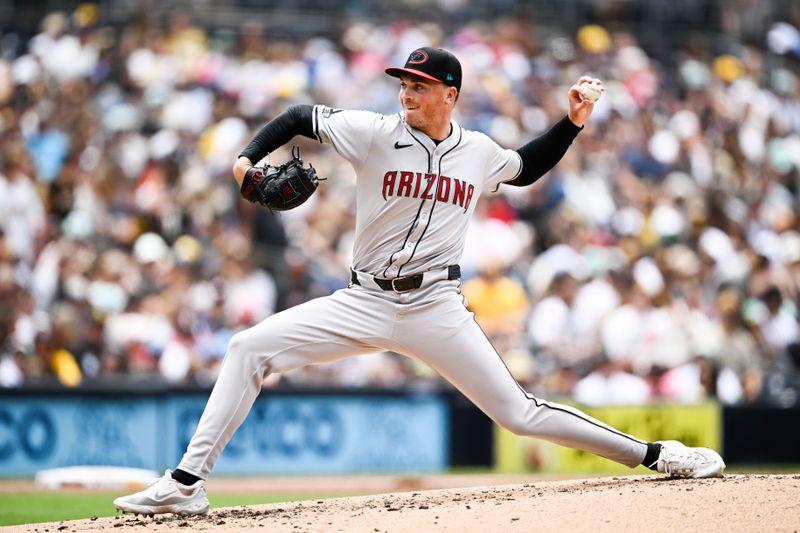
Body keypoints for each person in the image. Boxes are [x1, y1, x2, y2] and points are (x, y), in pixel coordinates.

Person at [114, 47, 724, 516]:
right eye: (404, 82)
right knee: (249, 347)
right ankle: (187, 485)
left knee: (519, 413)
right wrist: (247, 159)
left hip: (437, 305)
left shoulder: (478, 151)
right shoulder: (375, 133)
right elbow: (301, 117)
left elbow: (526, 168)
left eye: (419, 84)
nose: (407, 91)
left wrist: (571, 123)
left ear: (449, 93)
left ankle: (659, 456)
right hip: (363, 299)